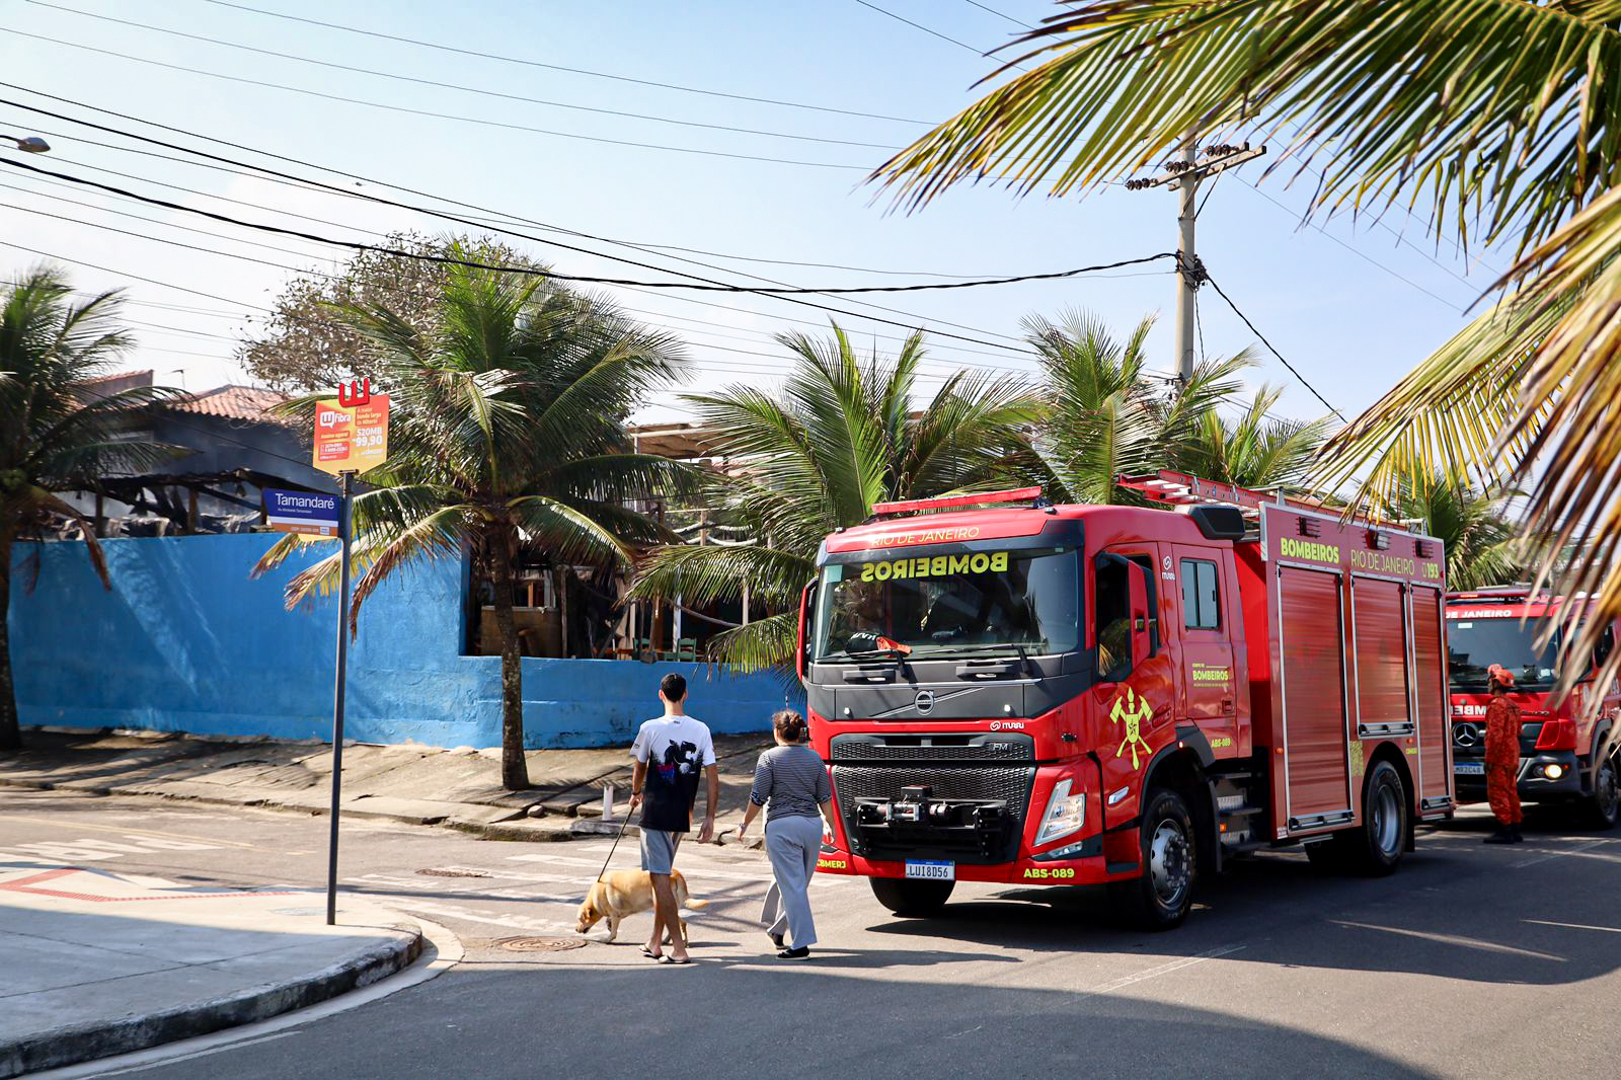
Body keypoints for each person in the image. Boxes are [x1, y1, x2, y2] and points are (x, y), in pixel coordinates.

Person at [628, 672, 718, 963]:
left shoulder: (649, 728)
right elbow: (712, 775)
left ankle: (678, 947)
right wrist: (710, 817)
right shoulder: (701, 729)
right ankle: (655, 941)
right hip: (682, 813)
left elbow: (639, 766)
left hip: (655, 812)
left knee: (660, 879)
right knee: (661, 878)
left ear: (661, 695)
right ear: (686, 694)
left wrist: (635, 791)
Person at [736, 709, 835, 960]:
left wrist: (744, 824)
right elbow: (824, 798)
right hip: (812, 826)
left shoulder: (768, 758)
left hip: (782, 827)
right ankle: (778, 929)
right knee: (796, 884)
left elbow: (758, 798)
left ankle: (801, 944)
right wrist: (832, 825)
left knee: (793, 886)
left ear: (777, 732)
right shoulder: (814, 759)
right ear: (799, 732)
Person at [1483, 663, 1524, 844]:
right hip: (1513, 754)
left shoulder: (1496, 705)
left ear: (1497, 684)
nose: (1488, 685)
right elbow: (1518, 732)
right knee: (1511, 792)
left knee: (1498, 793)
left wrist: (1489, 759)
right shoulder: (1513, 705)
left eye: (1490, 681)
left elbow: (1494, 735)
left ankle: (1504, 830)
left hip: (1499, 756)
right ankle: (1515, 829)